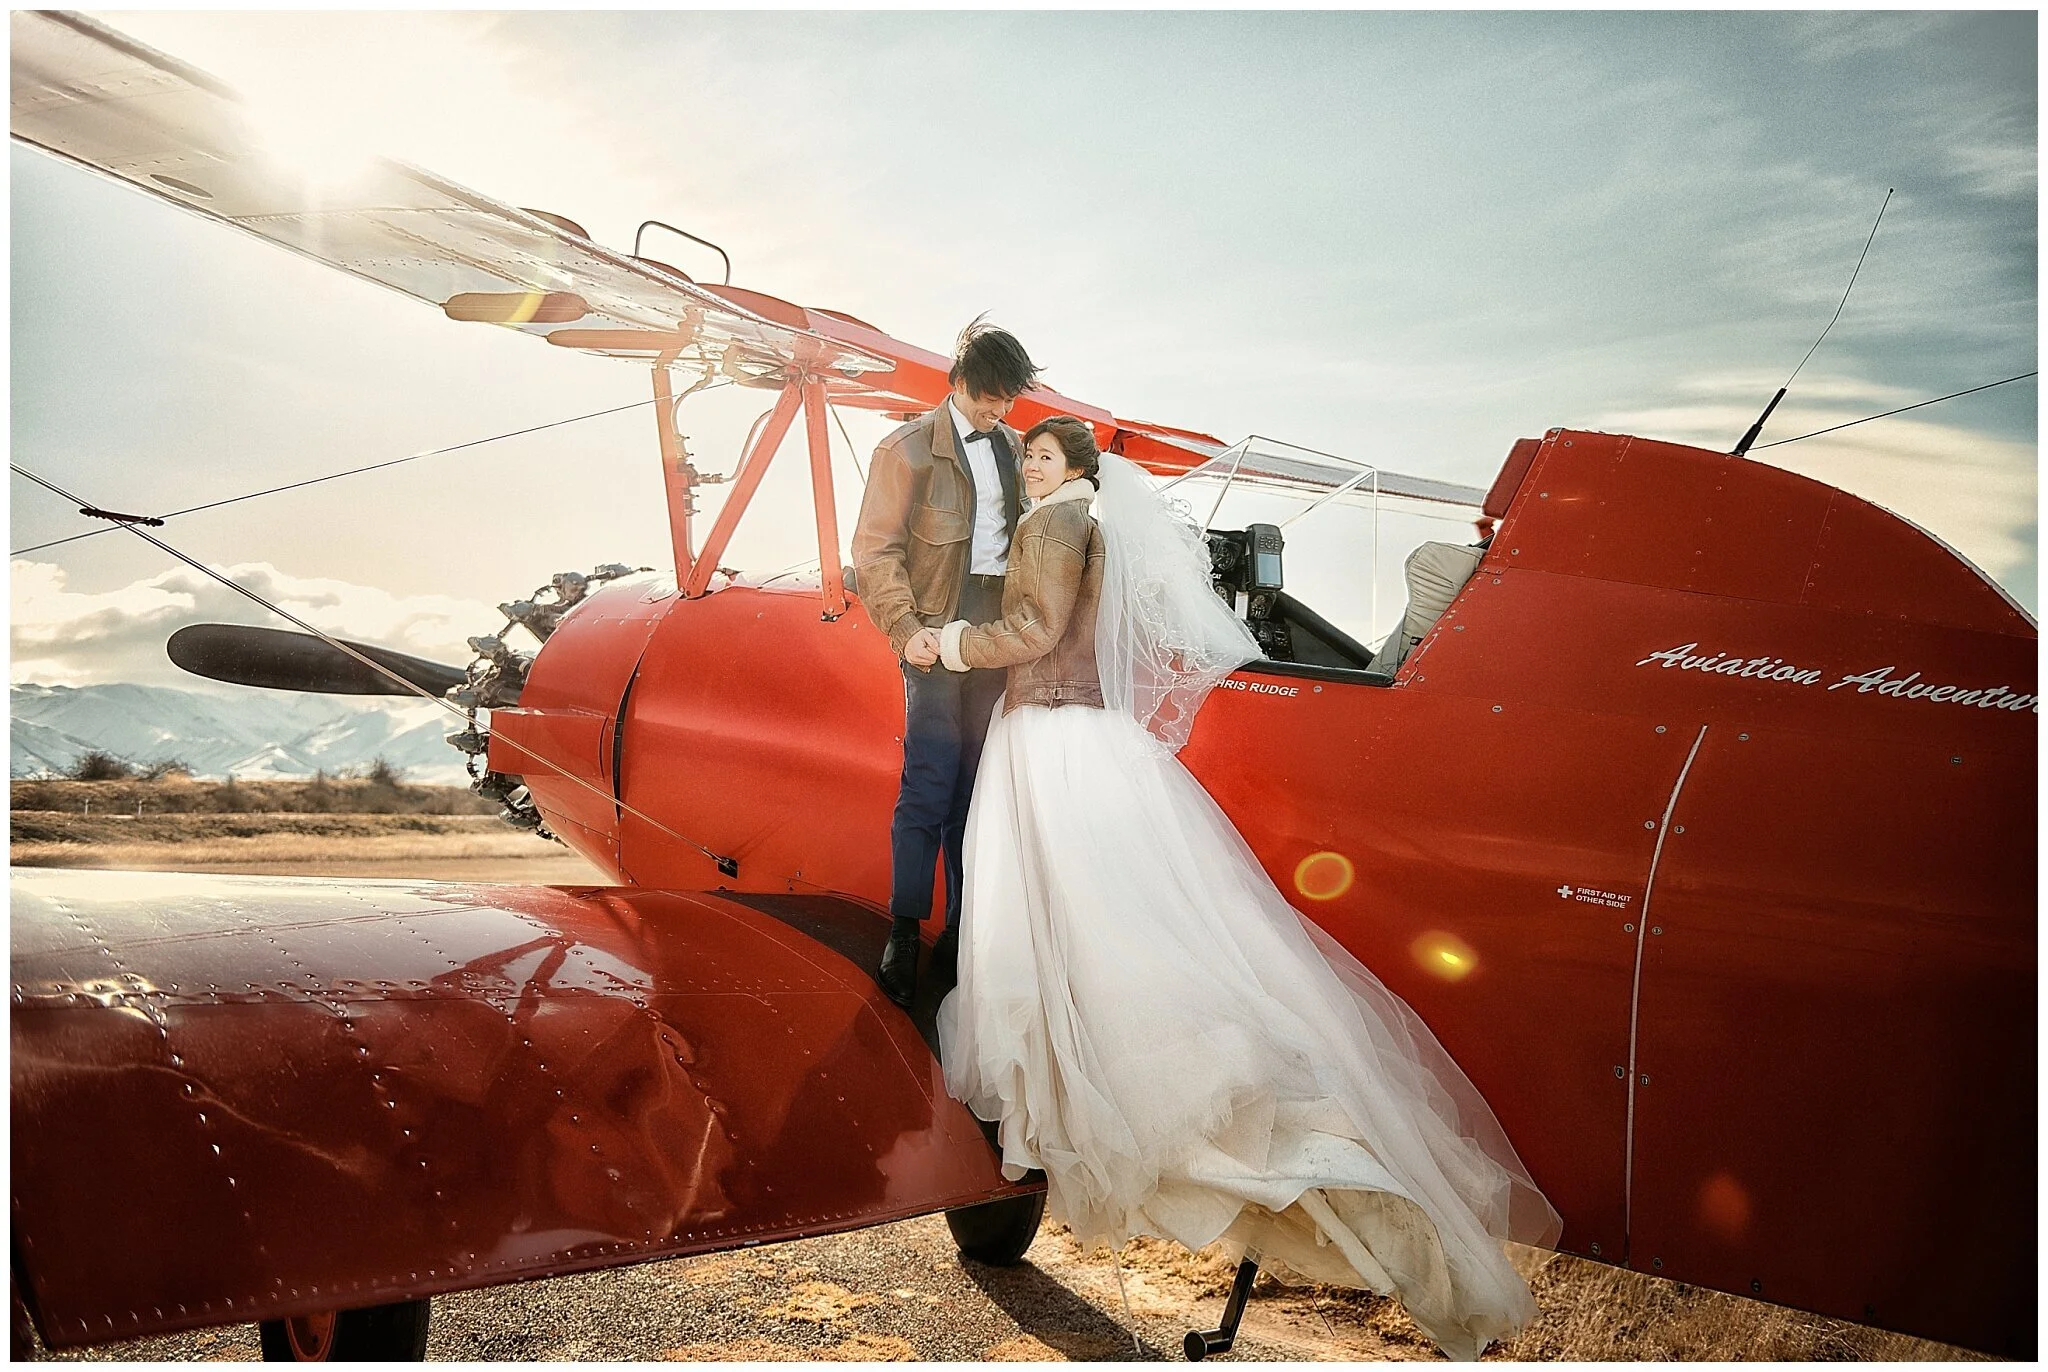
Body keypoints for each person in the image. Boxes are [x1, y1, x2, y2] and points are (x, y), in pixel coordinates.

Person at [930, 416, 1562, 1360]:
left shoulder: (1051, 526)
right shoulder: (1099, 524)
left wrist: (943, 643)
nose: (1030, 465)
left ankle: (1053, 1121)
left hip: (1045, 735)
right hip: (1095, 738)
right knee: (1121, 927)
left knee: (1048, 936)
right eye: (1027, 454)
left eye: (1044, 455)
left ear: (1077, 470)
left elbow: (1037, 630)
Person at [849, 316, 1040, 1007]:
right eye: (990, 396)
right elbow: (875, 552)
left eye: (1009, 401)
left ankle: (961, 933)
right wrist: (906, 631)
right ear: (960, 381)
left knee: (976, 792)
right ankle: (903, 928)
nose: (1000, 411)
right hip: (933, 631)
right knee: (927, 785)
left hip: (997, 638)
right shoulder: (904, 450)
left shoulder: (1020, 449)